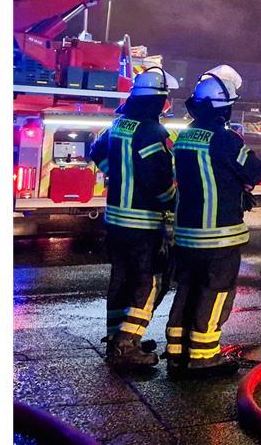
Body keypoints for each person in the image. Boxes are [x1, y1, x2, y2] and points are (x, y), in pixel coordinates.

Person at [165, 65, 261, 377]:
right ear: (225, 106)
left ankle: (178, 353)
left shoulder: (183, 138)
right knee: (216, 290)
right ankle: (204, 356)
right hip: (218, 236)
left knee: (187, 289)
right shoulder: (225, 140)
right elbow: (255, 172)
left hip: (186, 235)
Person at [89, 67, 179, 370]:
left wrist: (116, 173)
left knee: (121, 280)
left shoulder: (118, 124)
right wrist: (175, 204)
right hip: (142, 224)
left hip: (114, 222)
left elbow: (96, 150)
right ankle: (127, 344)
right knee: (148, 283)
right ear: (158, 100)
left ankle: (116, 336)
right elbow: (160, 182)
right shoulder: (154, 133)